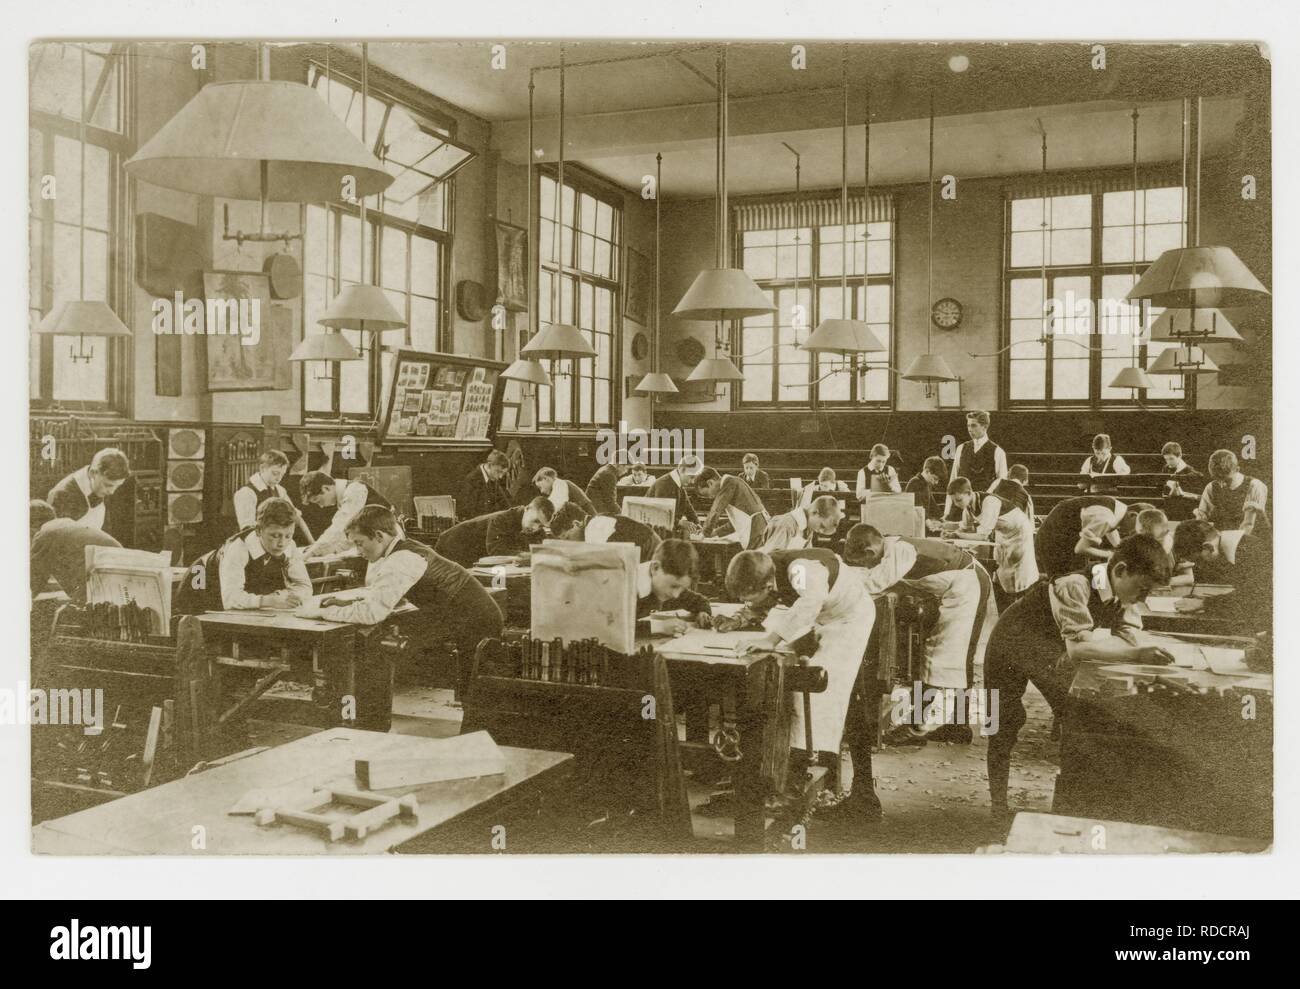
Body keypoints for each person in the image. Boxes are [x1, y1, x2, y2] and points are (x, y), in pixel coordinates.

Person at [984, 535, 1175, 821]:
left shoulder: (1122, 589)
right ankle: (998, 806)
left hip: (1048, 650)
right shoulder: (1075, 585)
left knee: (1075, 714)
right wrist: (1136, 656)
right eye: (1142, 590)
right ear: (1120, 570)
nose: (1143, 599)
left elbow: (1127, 633)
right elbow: (1078, 650)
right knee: (1003, 724)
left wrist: (1140, 652)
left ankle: (1073, 804)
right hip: (1009, 646)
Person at [297, 505, 504, 727]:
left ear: (378, 536)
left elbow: (371, 613)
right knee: (470, 691)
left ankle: (370, 723)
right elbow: (394, 596)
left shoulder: (402, 559)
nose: (358, 551)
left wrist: (319, 612)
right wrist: (348, 603)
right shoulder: (403, 549)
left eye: (360, 543)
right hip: (470, 616)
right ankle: (372, 721)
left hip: (477, 621)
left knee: (472, 693)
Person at [725, 548, 880, 825]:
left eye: (752, 597)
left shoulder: (800, 569)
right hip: (824, 614)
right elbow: (765, 605)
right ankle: (775, 775)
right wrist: (740, 617)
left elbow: (808, 604)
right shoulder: (764, 565)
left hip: (848, 619)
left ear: (769, 585)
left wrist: (771, 640)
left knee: (816, 694)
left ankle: (794, 783)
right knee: (786, 676)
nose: (748, 603)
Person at [843, 524, 988, 744]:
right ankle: (956, 726)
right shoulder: (890, 546)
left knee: (940, 656)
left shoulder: (900, 551)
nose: (866, 566)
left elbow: (875, 583)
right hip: (957, 586)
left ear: (870, 552)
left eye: (863, 562)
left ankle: (915, 729)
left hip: (966, 587)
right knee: (953, 657)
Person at [176, 497, 312, 614]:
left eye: (288, 535)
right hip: (199, 586)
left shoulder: (289, 546)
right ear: (258, 531)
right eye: (275, 535)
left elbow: (305, 586)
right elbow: (231, 598)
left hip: (231, 596)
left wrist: (289, 597)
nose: (282, 543)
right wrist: (270, 600)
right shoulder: (238, 548)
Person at [1171, 519, 1271, 629]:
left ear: (1208, 547)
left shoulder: (1252, 551)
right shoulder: (1234, 545)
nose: (1199, 565)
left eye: (1198, 560)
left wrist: (1204, 604)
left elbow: (1254, 600)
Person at [960, 477, 1038, 613]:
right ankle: (1005, 613)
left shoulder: (990, 501)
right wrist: (945, 527)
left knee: (1021, 576)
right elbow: (965, 528)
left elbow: (982, 535)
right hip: (1003, 534)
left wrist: (957, 535)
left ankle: (1022, 610)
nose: (957, 504)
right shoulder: (969, 505)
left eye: (958, 500)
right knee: (1001, 572)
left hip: (1019, 534)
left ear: (968, 493)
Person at [30, 499, 121, 603]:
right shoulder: (68, 525)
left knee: (67, 614)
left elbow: (34, 580)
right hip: (125, 573)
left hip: (106, 582)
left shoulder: (45, 533)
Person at [299, 471, 396, 558]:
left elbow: (339, 527)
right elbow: (349, 535)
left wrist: (314, 550)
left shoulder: (355, 490)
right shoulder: (346, 496)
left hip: (391, 546)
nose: (321, 506)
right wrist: (325, 550)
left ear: (326, 488)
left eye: (317, 500)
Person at [434, 497, 553, 567]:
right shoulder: (503, 518)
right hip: (452, 545)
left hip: (475, 552)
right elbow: (495, 550)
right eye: (535, 521)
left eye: (541, 525)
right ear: (527, 509)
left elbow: (540, 549)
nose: (535, 527)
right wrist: (525, 555)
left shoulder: (536, 529)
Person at [1033, 495, 1130, 578]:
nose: (1131, 533)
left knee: (1077, 578)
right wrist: (1111, 555)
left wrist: (1119, 549)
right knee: (1066, 584)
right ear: (1133, 515)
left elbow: (1112, 529)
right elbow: (1080, 549)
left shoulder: (1118, 508)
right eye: (1133, 530)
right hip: (1053, 541)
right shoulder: (1105, 517)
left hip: (1062, 536)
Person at [233, 449, 313, 542]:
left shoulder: (280, 490)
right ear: (262, 468)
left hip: (273, 543)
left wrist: (312, 543)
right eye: (275, 473)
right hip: (250, 544)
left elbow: (296, 517)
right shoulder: (246, 493)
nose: (279, 478)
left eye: (282, 475)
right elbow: (247, 529)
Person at [636, 539, 712, 631]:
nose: (676, 595)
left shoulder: (668, 588)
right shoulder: (628, 585)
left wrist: (702, 613)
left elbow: (700, 601)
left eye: (682, 588)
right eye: (674, 586)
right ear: (655, 568)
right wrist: (660, 627)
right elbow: (619, 628)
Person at [48, 448, 131, 532]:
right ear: (92, 473)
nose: (112, 492)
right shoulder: (63, 494)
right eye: (108, 485)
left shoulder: (101, 486)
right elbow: (56, 538)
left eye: (117, 486)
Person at [945, 410, 1007, 518]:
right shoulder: (961, 448)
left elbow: (1001, 482)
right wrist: (947, 511)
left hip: (982, 507)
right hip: (959, 507)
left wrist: (986, 497)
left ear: (984, 427)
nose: (969, 429)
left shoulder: (997, 451)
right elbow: (953, 480)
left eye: (973, 425)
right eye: (968, 425)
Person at [549, 502, 661, 562]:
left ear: (576, 524)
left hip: (650, 550)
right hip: (645, 549)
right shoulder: (595, 522)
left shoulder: (595, 528)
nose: (570, 544)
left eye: (567, 538)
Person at [1195, 450, 1269, 537]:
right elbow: (1202, 519)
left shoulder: (1254, 485)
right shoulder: (1211, 487)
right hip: (1221, 538)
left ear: (1237, 469)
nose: (1222, 484)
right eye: (1217, 479)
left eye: (1226, 480)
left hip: (1249, 539)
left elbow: (1248, 525)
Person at [694, 466, 769, 548]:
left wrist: (704, 533)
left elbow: (715, 510)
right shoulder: (733, 481)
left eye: (707, 494)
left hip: (755, 528)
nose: (711, 497)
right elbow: (734, 523)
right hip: (759, 526)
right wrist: (715, 533)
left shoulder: (728, 483)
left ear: (710, 483)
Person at [760, 495, 844, 554]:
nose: (819, 531)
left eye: (823, 531)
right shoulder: (786, 524)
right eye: (822, 526)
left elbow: (806, 554)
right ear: (815, 512)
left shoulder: (808, 526)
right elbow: (772, 556)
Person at [647, 457, 702, 534]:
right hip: (652, 532)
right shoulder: (665, 483)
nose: (692, 482)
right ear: (681, 469)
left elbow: (688, 508)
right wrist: (680, 522)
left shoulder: (678, 483)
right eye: (691, 477)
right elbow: (660, 514)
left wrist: (697, 524)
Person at [520, 466, 597, 516]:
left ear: (546, 479)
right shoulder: (560, 486)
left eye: (540, 487)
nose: (541, 491)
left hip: (589, 519)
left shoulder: (560, 484)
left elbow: (556, 504)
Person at [458, 450, 512, 520]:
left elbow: (505, 504)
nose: (500, 476)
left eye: (503, 473)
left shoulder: (493, 478)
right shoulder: (472, 480)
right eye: (499, 472)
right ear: (489, 465)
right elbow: (469, 512)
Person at [1159, 442, 1203, 522]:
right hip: (1170, 507)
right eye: (1166, 459)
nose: (1168, 462)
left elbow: (1197, 497)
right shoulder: (1166, 468)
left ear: (1180, 456)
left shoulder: (1191, 473)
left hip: (1185, 511)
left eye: (1171, 459)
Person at [904, 456, 948, 531]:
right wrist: (929, 523)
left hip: (921, 522)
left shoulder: (926, 484)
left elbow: (932, 504)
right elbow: (917, 507)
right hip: (914, 525)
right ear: (927, 471)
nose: (936, 483)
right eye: (935, 478)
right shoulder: (915, 482)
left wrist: (942, 519)